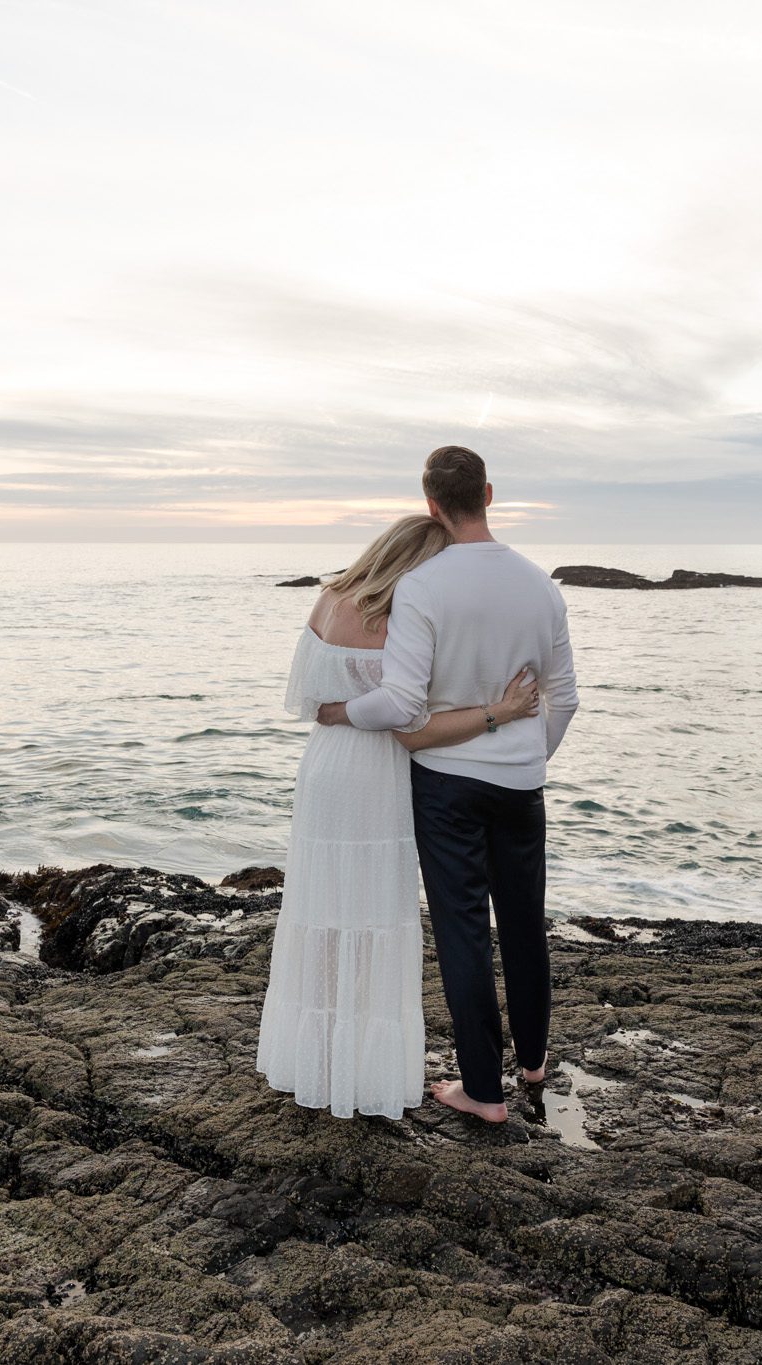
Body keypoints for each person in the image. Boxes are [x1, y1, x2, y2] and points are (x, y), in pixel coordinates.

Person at [318, 446, 580, 1123]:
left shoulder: (424, 587)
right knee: (524, 924)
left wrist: (341, 711)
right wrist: (525, 752)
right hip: (521, 785)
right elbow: (566, 698)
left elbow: (400, 704)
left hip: (447, 785)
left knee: (465, 930)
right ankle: (533, 1063)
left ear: (431, 502)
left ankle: (484, 1094)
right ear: (489, 493)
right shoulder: (539, 584)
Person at [255, 513, 543, 1119]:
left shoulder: (328, 598)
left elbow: (310, 702)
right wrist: (501, 711)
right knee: (375, 917)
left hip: (324, 768)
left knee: (321, 912)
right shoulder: (402, 620)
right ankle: (363, 1072)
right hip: (378, 775)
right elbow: (411, 722)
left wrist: (340, 711)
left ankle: (315, 1061)